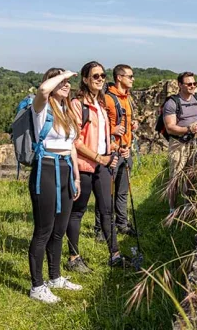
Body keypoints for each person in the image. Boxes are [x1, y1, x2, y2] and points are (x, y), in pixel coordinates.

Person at [28, 68, 82, 304]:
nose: (66, 83)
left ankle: (55, 277)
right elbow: (42, 89)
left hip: (66, 169)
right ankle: (37, 286)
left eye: (69, 81)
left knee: (59, 229)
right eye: (60, 80)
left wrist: (77, 177)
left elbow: (71, 146)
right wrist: (63, 74)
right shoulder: (41, 107)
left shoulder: (65, 110)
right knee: (44, 231)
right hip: (46, 170)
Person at [65, 61, 125, 272]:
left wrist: (114, 148)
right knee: (77, 212)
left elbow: (101, 136)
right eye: (95, 76)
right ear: (85, 79)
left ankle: (115, 255)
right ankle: (74, 258)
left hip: (103, 164)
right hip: (84, 165)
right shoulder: (77, 104)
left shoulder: (101, 104)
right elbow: (76, 141)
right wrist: (100, 158)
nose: (100, 79)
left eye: (102, 76)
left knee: (107, 211)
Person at [163, 72, 197, 213]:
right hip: (179, 144)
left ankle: (187, 205)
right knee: (176, 177)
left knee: (190, 176)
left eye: (194, 83)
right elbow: (170, 127)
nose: (192, 86)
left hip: (195, 143)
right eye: (189, 84)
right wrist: (188, 128)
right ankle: (172, 208)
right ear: (179, 85)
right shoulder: (172, 103)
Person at [102, 64, 140, 236]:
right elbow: (98, 125)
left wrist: (133, 125)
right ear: (119, 77)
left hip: (126, 150)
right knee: (106, 193)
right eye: (130, 76)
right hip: (111, 151)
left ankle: (122, 224)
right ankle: (101, 229)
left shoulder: (128, 98)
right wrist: (112, 131)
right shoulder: (107, 98)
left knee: (122, 191)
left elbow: (127, 122)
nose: (133, 79)